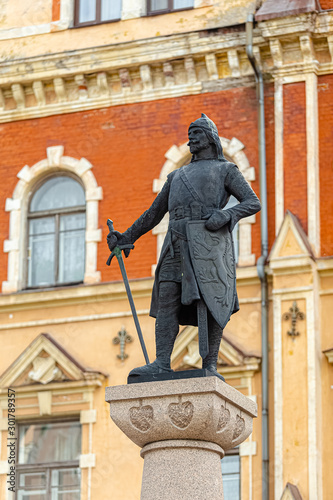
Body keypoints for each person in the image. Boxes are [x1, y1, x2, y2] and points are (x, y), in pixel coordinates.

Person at [107, 114, 261, 378]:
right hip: (175, 242)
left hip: (207, 244)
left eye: (197, 132)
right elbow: (154, 213)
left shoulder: (226, 170)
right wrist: (127, 237)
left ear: (210, 137)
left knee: (213, 301)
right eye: (190, 133)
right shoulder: (176, 175)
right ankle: (161, 363)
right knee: (167, 298)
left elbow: (252, 202)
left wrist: (227, 214)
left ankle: (210, 365)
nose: (191, 137)